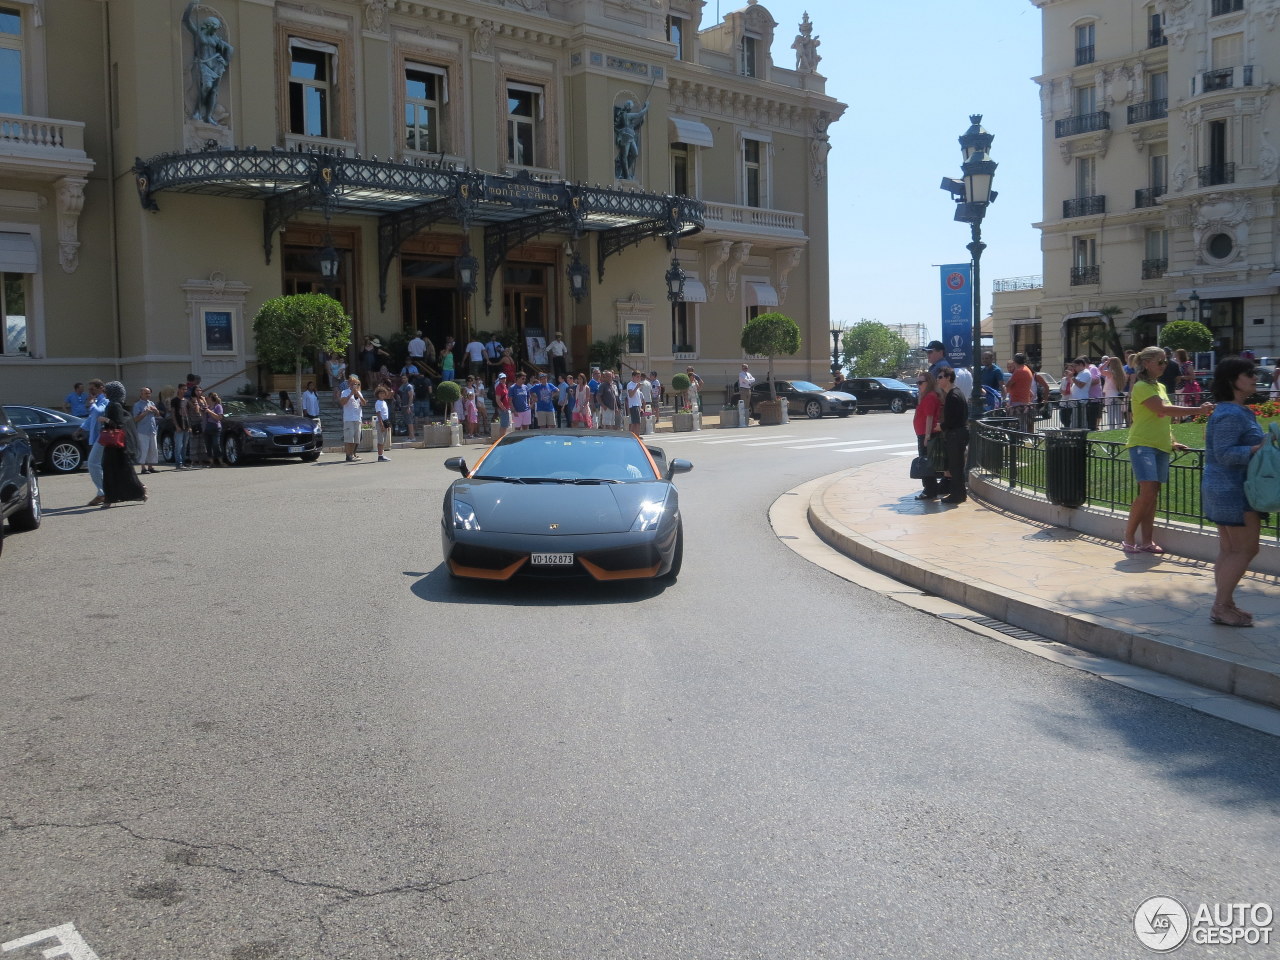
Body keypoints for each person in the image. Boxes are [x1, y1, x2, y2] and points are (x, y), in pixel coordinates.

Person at [1122, 345, 1215, 554]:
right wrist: (1198, 409)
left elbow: (1163, 420)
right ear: (1147, 364)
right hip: (1142, 444)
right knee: (1146, 493)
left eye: (1166, 361)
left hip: (1161, 445)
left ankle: (1146, 541)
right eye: (1161, 362)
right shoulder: (1141, 387)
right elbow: (1163, 410)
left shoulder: (1160, 387)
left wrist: (1172, 441)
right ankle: (1128, 537)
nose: (1165, 365)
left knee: (1152, 495)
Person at [1202, 357, 1264, 627]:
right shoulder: (1230, 413)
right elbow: (1224, 454)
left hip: (1224, 488)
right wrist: (1255, 450)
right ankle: (1220, 606)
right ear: (1232, 381)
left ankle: (1225, 604)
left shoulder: (1234, 411)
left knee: (1230, 550)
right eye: (1247, 373)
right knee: (1245, 549)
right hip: (1232, 489)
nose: (1254, 376)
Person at [182, 2, 234, 125]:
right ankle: (197, 112)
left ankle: (208, 116)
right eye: (215, 27)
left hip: (216, 66)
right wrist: (191, 6)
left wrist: (225, 61)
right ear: (209, 25)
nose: (216, 29)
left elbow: (230, 49)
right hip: (203, 64)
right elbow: (186, 20)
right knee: (207, 87)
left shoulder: (215, 39)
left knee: (214, 91)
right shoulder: (199, 34)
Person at [99, 381, 147, 508]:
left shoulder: (114, 406)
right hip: (118, 445)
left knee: (111, 470)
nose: (105, 393)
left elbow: (117, 424)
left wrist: (105, 420)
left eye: (107, 391)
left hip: (115, 445)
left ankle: (111, 498)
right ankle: (139, 492)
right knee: (123, 470)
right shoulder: (116, 404)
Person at [936, 367, 969, 504]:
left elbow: (952, 420)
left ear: (948, 378)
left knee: (955, 467)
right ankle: (960, 493)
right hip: (960, 433)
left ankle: (957, 495)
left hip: (955, 435)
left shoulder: (952, 395)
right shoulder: (957, 393)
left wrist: (940, 426)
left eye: (940, 377)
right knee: (957, 466)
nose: (938, 380)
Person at [913, 370, 942, 500]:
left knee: (926, 463)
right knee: (927, 461)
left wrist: (927, 436)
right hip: (922, 433)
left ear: (928, 382)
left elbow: (930, 417)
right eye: (917, 382)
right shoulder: (926, 396)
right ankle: (930, 488)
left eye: (921, 382)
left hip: (926, 434)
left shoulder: (930, 396)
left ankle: (929, 489)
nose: (918, 385)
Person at [78, 379, 108, 505]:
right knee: (100, 465)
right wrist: (80, 429)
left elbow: (99, 412)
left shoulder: (105, 400)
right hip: (97, 437)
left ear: (101, 388)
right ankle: (103, 492)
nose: (90, 392)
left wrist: (91, 404)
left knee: (92, 463)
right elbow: (92, 418)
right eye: (89, 389)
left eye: (92, 389)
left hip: (103, 438)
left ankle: (103, 493)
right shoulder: (96, 401)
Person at [614, 99, 649, 180]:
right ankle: (626, 176)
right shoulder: (626, 115)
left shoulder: (629, 119)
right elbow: (639, 114)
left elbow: (636, 126)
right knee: (624, 156)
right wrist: (647, 107)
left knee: (635, 154)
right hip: (625, 136)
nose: (631, 108)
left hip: (631, 136)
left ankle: (624, 172)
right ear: (628, 107)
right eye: (631, 107)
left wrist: (642, 117)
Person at [131, 387, 161, 474]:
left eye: (149, 393)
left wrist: (156, 410)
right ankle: (143, 468)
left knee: (153, 449)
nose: (148, 395)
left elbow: (158, 414)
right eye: (146, 393)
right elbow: (136, 419)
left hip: (152, 429)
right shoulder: (137, 405)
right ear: (141, 394)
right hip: (142, 431)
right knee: (144, 449)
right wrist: (145, 412)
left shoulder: (151, 403)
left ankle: (150, 466)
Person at [1006, 354, 1034, 435]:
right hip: (1024, 401)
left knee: (1016, 426)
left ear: (1014, 362)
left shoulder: (1018, 371)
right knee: (1023, 425)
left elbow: (1008, 384)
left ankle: (1019, 441)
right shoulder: (1027, 369)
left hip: (1017, 402)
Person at [341, 375, 365, 462]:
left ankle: (352, 454)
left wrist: (358, 395)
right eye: (353, 384)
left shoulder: (359, 393)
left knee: (357, 439)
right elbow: (342, 402)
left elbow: (364, 403)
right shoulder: (345, 392)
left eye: (356, 384)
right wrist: (351, 393)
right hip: (348, 418)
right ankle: (348, 455)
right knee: (349, 439)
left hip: (357, 418)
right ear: (349, 384)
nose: (355, 386)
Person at [170, 383, 191, 470]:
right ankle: (178, 463)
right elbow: (173, 414)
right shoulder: (174, 400)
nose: (184, 391)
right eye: (182, 389)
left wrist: (189, 426)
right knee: (178, 445)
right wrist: (176, 425)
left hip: (186, 425)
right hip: (178, 425)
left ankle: (183, 462)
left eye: (185, 389)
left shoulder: (186, 400)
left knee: (185, 445)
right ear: (178, 389)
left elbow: (188, 414)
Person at [1102, 356, 1126, 429]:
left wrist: (1106, 363)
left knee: (1111, 414)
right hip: (1118, 395)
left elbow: (1099, 370)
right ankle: (1119, 428)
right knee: (1118, 413)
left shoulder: (1110, 373)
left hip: (1110, 395)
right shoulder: (1122, 373)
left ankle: (1111, 428)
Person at [203, 390, 225, 465]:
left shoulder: (218, 406)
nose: (207, 399)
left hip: (215, 427)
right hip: (207, 427)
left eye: (208, 397)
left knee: (216, 444)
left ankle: (221, 461)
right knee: (208, 445)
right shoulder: (208, 407)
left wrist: (209, 411)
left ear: (211, 398)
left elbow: (219, 418)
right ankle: (211, 462)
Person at [373, 384, 392, 461]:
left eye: (383, 393)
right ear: (377, 394)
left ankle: (382, 454)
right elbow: (378, 414)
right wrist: (381, 424)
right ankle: (380, 455)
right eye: (380, 393)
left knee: (384, 439)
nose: (382, 395)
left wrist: (387, 424)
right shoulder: (378, 402)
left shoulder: (384, 402)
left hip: (386, 421)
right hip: (380, 421)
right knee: (380, 439)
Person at [627, 370, 645, 435]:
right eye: (637, 377)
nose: (639, 378)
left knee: (636, 422)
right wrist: (636, 387)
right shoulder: (630, 384)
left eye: (639, 377)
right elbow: (631, 395)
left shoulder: (636, 385)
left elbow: (638, 398)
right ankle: (636, 436)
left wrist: (641, 407)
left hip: (637, 406)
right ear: (633, 377)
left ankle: (634, 435)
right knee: (636, 423)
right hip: (633, 405)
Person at [494, 372, 512, 437]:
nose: (503, 379)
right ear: (499, 379)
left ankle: (502, 438)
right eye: (502, 378)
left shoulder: (504, 386)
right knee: (504, 425)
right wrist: (503, 408)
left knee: (505, 424)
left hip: (506, 407)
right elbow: (498, 399)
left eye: (504, 378)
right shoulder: (499, 387)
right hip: (503, 408)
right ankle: (501, 439)